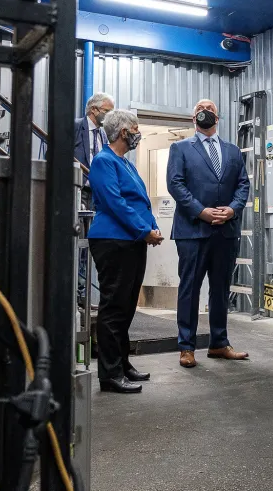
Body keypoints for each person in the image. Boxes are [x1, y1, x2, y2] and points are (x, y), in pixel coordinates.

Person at [167, 99, 251, 368]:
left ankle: (218, 343)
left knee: (220, 289)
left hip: (225, 231)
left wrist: (233, 209)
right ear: (194, 118)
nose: (206, 113)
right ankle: (186, 347)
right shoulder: (180, 148)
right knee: (189, 289)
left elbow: (243, 184)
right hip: (192, 231)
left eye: (211, 109)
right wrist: (200, 211)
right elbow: (175, 184)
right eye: (200, 110)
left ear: (218, 116)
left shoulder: (233, 151)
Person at [88, 109, 164, 393]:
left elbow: (141, 201)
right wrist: (144, 231)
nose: (137, 132)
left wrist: (152, 228)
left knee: (127, 306)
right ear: (123, 132)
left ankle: (122, 364)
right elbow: (114, 203)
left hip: (131, 241)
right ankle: (109, 375)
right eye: (135, 128)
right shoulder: (103, 161)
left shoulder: (126, 163)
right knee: (114, 307)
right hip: (112, 241)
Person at [75, 92, 115, 308]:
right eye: (107, 112)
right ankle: (76, 296)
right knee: (77, 244)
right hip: (78, 192)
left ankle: (83, 295)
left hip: (97, 196)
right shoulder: (75, 127)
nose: (109, 116)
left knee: (90, 245)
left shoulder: (103, 135)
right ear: (94, 110)